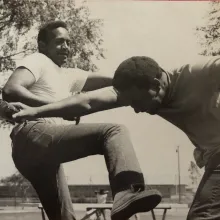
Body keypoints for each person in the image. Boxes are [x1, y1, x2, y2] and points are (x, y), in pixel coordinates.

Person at [11, 55, 220, 220]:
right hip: (212, 157)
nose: (137, 110)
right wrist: (37, 112)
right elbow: (88, 101)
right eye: (129, 104)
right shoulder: (140, 89)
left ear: (157, 84)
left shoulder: (198, 73)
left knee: (203, 216)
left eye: (137, 102)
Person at [2, 21, 162, 220]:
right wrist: (57, 106)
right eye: (59, 42)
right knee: (114, 132)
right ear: (42, 45)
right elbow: (11, 89)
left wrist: (146, 77)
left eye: (68, 42)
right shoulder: (39, 60)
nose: (66, 47)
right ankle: (128, 191)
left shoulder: (69, 75)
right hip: (33, 134)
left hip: (40, 155)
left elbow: (115, 80)